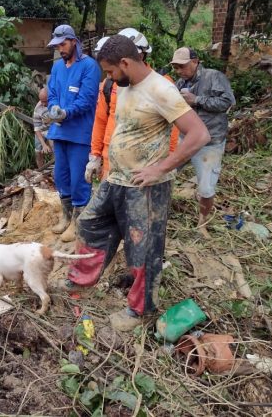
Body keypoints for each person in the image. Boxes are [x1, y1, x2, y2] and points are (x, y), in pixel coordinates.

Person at [67, 36, 210, 331]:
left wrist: (160, 168)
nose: (108, 78)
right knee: (90, 223)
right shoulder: (127, 86)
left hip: (145, 187)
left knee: (143, 249)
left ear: (125, 63)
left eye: (109, 71)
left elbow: (199, 134)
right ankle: (80, 280)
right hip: (117, 179)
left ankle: (139, 309)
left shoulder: (161, 89)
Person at [85, 29, 180, 184]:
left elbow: (175, 129)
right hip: (111, 165)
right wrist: (95, 155)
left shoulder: (162, 86)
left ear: (139, 56)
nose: (109, 74)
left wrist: (165, 165)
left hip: (144, 169)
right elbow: (101, 119)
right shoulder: (112, 84)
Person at [44, 24, 101, 243]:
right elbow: (53, 94)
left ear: (74, 42)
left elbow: (86, 100)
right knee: (61, 175)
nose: (60, 49)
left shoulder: (89, 67)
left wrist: (67, 113)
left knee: (79, 178)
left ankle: (79, 220)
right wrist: (54, 108)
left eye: (63, 44)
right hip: (60, 132)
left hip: (80, 133)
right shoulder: (58, 68)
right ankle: (66, 215)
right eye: (57, 46)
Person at [171, 47, 235, 235]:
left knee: (206, 189)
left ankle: (202, 224)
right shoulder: (179, 83)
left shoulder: (214, 77)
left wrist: (197, 99)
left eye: (182, 66)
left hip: (211, 142)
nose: (179, 71)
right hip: (186, 139)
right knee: (165, 173)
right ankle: (161, 211)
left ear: (195, 61)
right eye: (176, 68)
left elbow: (227, 102)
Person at [32, 87, 53, 168]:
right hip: (42, 130)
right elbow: (37, 129)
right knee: (38, 151)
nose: (43, 104)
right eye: (41, 101)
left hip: (53, 129)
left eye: (45, 101)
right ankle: (41, 170)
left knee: (54, 148)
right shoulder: (38, 108)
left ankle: (55, 170)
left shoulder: (56, 103)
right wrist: (44, 145)